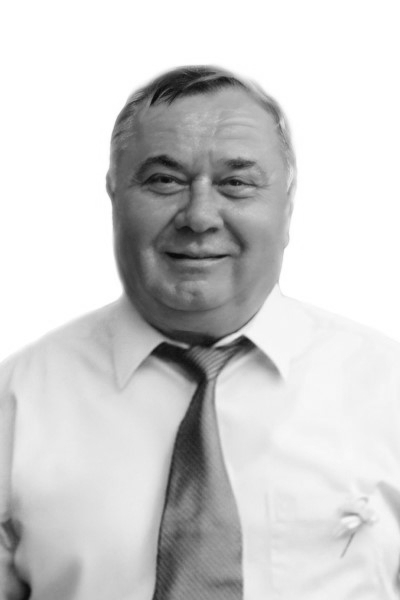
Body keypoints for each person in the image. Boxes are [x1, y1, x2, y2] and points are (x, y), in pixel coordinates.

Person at [1, 65, 400, 600]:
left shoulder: (387, 391)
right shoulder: (16, 405)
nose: (200, 216)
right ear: (114, 194)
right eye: (164, 180)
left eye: (236, 183)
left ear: (288, 204)